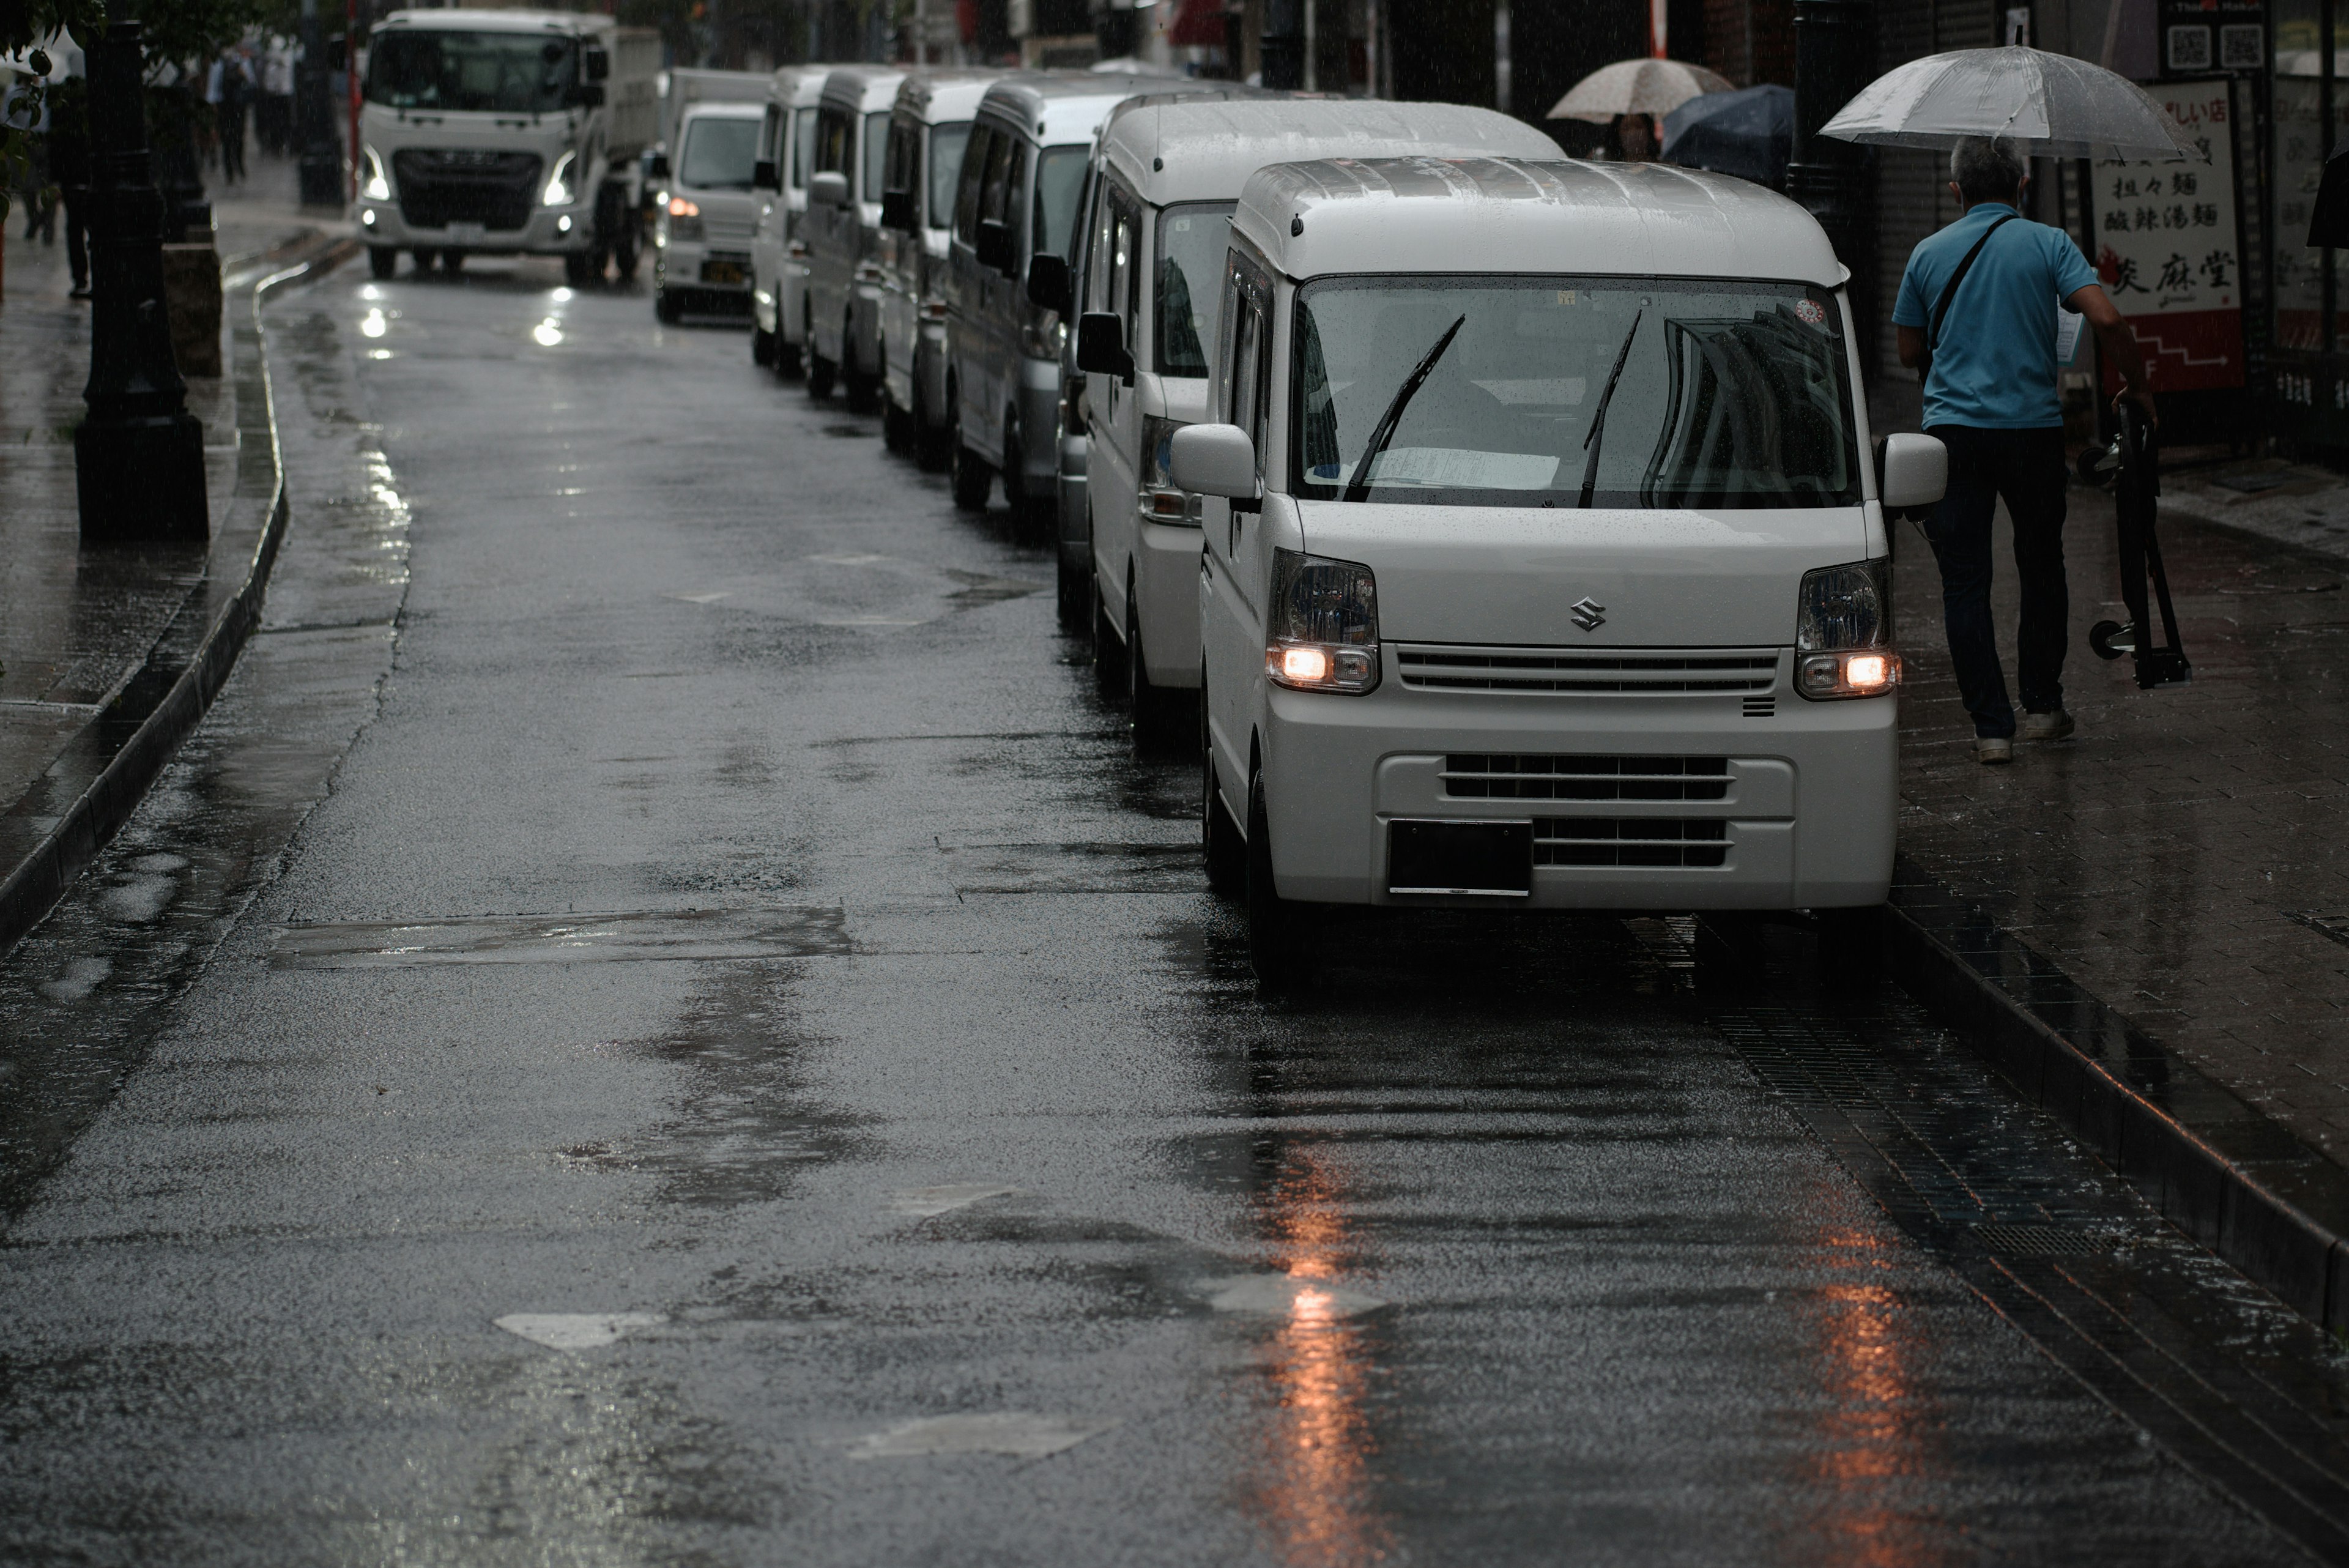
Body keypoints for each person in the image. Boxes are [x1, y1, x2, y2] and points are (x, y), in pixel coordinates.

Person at [1893, 135, 2157, 767]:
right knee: (2041, 568)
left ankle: (1992, 729)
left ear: (1957, 191)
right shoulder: (2048, 243)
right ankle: (2042, 706)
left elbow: (1907, 352)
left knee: (1966, 582)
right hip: (2033, 435)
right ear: (2021, 186)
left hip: (1954, 436)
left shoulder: (1927, 253)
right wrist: (2138, 385)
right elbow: (2109, 321)